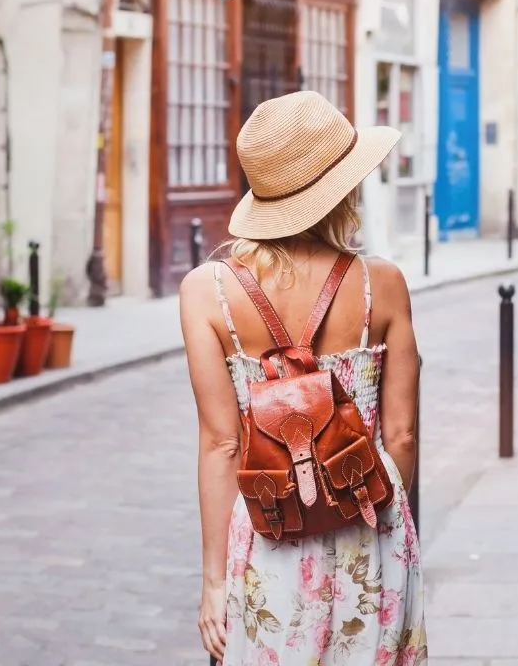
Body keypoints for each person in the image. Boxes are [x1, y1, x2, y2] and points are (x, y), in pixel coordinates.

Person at [179, 91, 426, 665]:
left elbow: (220, 444)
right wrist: (373, 508)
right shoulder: (381, 284)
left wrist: (214, 581)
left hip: (269, 530)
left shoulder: (206, 292)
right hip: (371, 524)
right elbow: (403, 434)